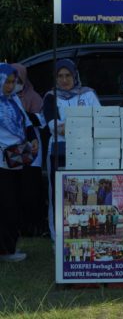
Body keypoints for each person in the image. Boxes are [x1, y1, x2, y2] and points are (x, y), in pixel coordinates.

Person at [43, 59, 100, 240]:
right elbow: (55, 127)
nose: (64, 80)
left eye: (68, 75)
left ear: (75, 75)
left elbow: (99, 121)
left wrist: (69, 126)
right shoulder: (51, 97)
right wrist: (82, 125)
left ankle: (83, 232)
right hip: (59, 152)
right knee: (58, 194)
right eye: (60, 76)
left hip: (86, 151)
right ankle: (58, 236)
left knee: (85, 192)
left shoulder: (88, 95)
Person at [0, 63, 39, 262]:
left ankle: (8, 247)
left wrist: (32, 140)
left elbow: (28, 123)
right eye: (6, 81)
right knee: (6, 205)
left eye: (13, 82)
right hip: (1, 162)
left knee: (15, 204)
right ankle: (5, 251)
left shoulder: (13, 99)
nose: (10, 85)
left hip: (17, 158)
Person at [12, 63, 46, 237]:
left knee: (31, 189)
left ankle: (33, 226)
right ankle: (18, 225)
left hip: (31, 149)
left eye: (18, 78)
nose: (15, 82)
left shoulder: (33, 97)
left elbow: (42, 121)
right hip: (11, 151)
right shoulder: (5, 97)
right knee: (14, 188)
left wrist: (29, 116)